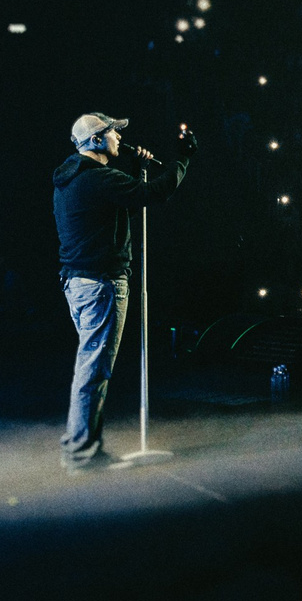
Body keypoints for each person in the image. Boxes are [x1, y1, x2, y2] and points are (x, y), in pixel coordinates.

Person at [52, 112, 195, 471]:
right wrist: (183, 159)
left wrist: (134, 171)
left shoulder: (71, 178)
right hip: (100, 284)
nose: (119, 137)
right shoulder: (98, 178)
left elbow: (114, 210)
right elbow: (154, 194)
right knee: (93, 370)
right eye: (114, 132)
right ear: (97, 140)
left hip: (78, 283)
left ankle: (80, 445)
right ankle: (82, 453)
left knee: (90, 368)